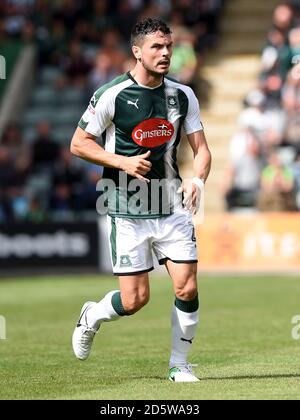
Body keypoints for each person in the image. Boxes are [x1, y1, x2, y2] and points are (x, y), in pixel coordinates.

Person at [70, 18, 211, 383]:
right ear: (137, 51)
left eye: (169, 46)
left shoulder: (183, 95)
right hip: (126, 206)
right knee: (134, 301)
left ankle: (179, 364)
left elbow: (202, 150)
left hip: (172, 203)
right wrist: (121, 161)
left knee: (187, 285)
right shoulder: (112, 93)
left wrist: (197, 180)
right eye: (157, 48)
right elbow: (79, 143)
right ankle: (94, 315)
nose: (166, 54)